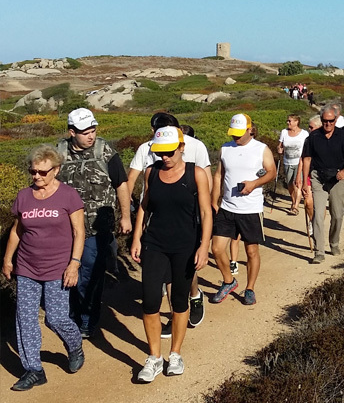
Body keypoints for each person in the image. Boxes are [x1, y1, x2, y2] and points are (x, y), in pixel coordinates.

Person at [130, 127, 212, 382]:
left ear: (181, 148)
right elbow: (144, 206)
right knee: (151, 300)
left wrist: (204, 245)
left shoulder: (195, 174)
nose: (164, 157)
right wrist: (136, 238)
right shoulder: (151, 172)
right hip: (154, 244)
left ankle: (175, 354)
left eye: (169, 152)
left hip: (185, 246)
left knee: (178, 301)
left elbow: (207, 213)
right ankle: (154, 358)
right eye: (160, 152)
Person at [3, 145, 86, 391]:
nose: (37, 176)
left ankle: (74, 346)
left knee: (56, 319)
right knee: (25, 319)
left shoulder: (69, 196)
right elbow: (17, 230)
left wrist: (74, 264)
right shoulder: (24, 196)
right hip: (28, 266)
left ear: (56, 170)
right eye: (33, 171)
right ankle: (33, 370)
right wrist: (8, 259)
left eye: (42, 172)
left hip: (59, 267)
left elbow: (79, 232)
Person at [56, 108, 131, 339]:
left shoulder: (105, 151)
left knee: (88, 273)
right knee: (64, 273)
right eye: (85, 132)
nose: (91, 135)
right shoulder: (58, 153)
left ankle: (86, 319)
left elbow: (121, 184)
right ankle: (70, 315)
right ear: (71, 132)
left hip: (97, 229)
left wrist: (125, 216)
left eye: (93, 130)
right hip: (65, 229)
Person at [211, 114, 276, 305]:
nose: (235, 138)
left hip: (251, 209)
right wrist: (214, 200)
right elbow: (218, 176)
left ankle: (250, 289)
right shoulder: (225, 148)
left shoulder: (261, 149)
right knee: (216, 248)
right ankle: (229, 281)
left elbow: (271, 172)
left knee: (251, 252)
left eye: (239, 134)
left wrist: (254, 183)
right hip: (227, 208)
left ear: (250, 130)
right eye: (233, 134)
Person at [301, 106, 344, 263]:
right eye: (325, 121)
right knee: (318, 215)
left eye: (331, 121)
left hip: (338, 178)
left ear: (336, 120)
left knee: (337, 215)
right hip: (318, 177)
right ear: (321, 120)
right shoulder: (313, 137)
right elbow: (307, 160)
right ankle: (319, 252)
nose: (328, 124)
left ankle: (334, 243)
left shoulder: (342, 136)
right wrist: (305, 182)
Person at [277, 114, 309, 216]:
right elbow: (280, 145)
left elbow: (307, 148)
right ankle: (293, 200)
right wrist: (279, 149)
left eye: (290, 121)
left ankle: (295, 206)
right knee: (290, 185)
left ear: (296, 122)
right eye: (287, 121)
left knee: (297, 184)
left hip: (299, 162)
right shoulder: (284, 132)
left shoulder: (304, 133)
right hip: (287, 162)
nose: (288, 123)